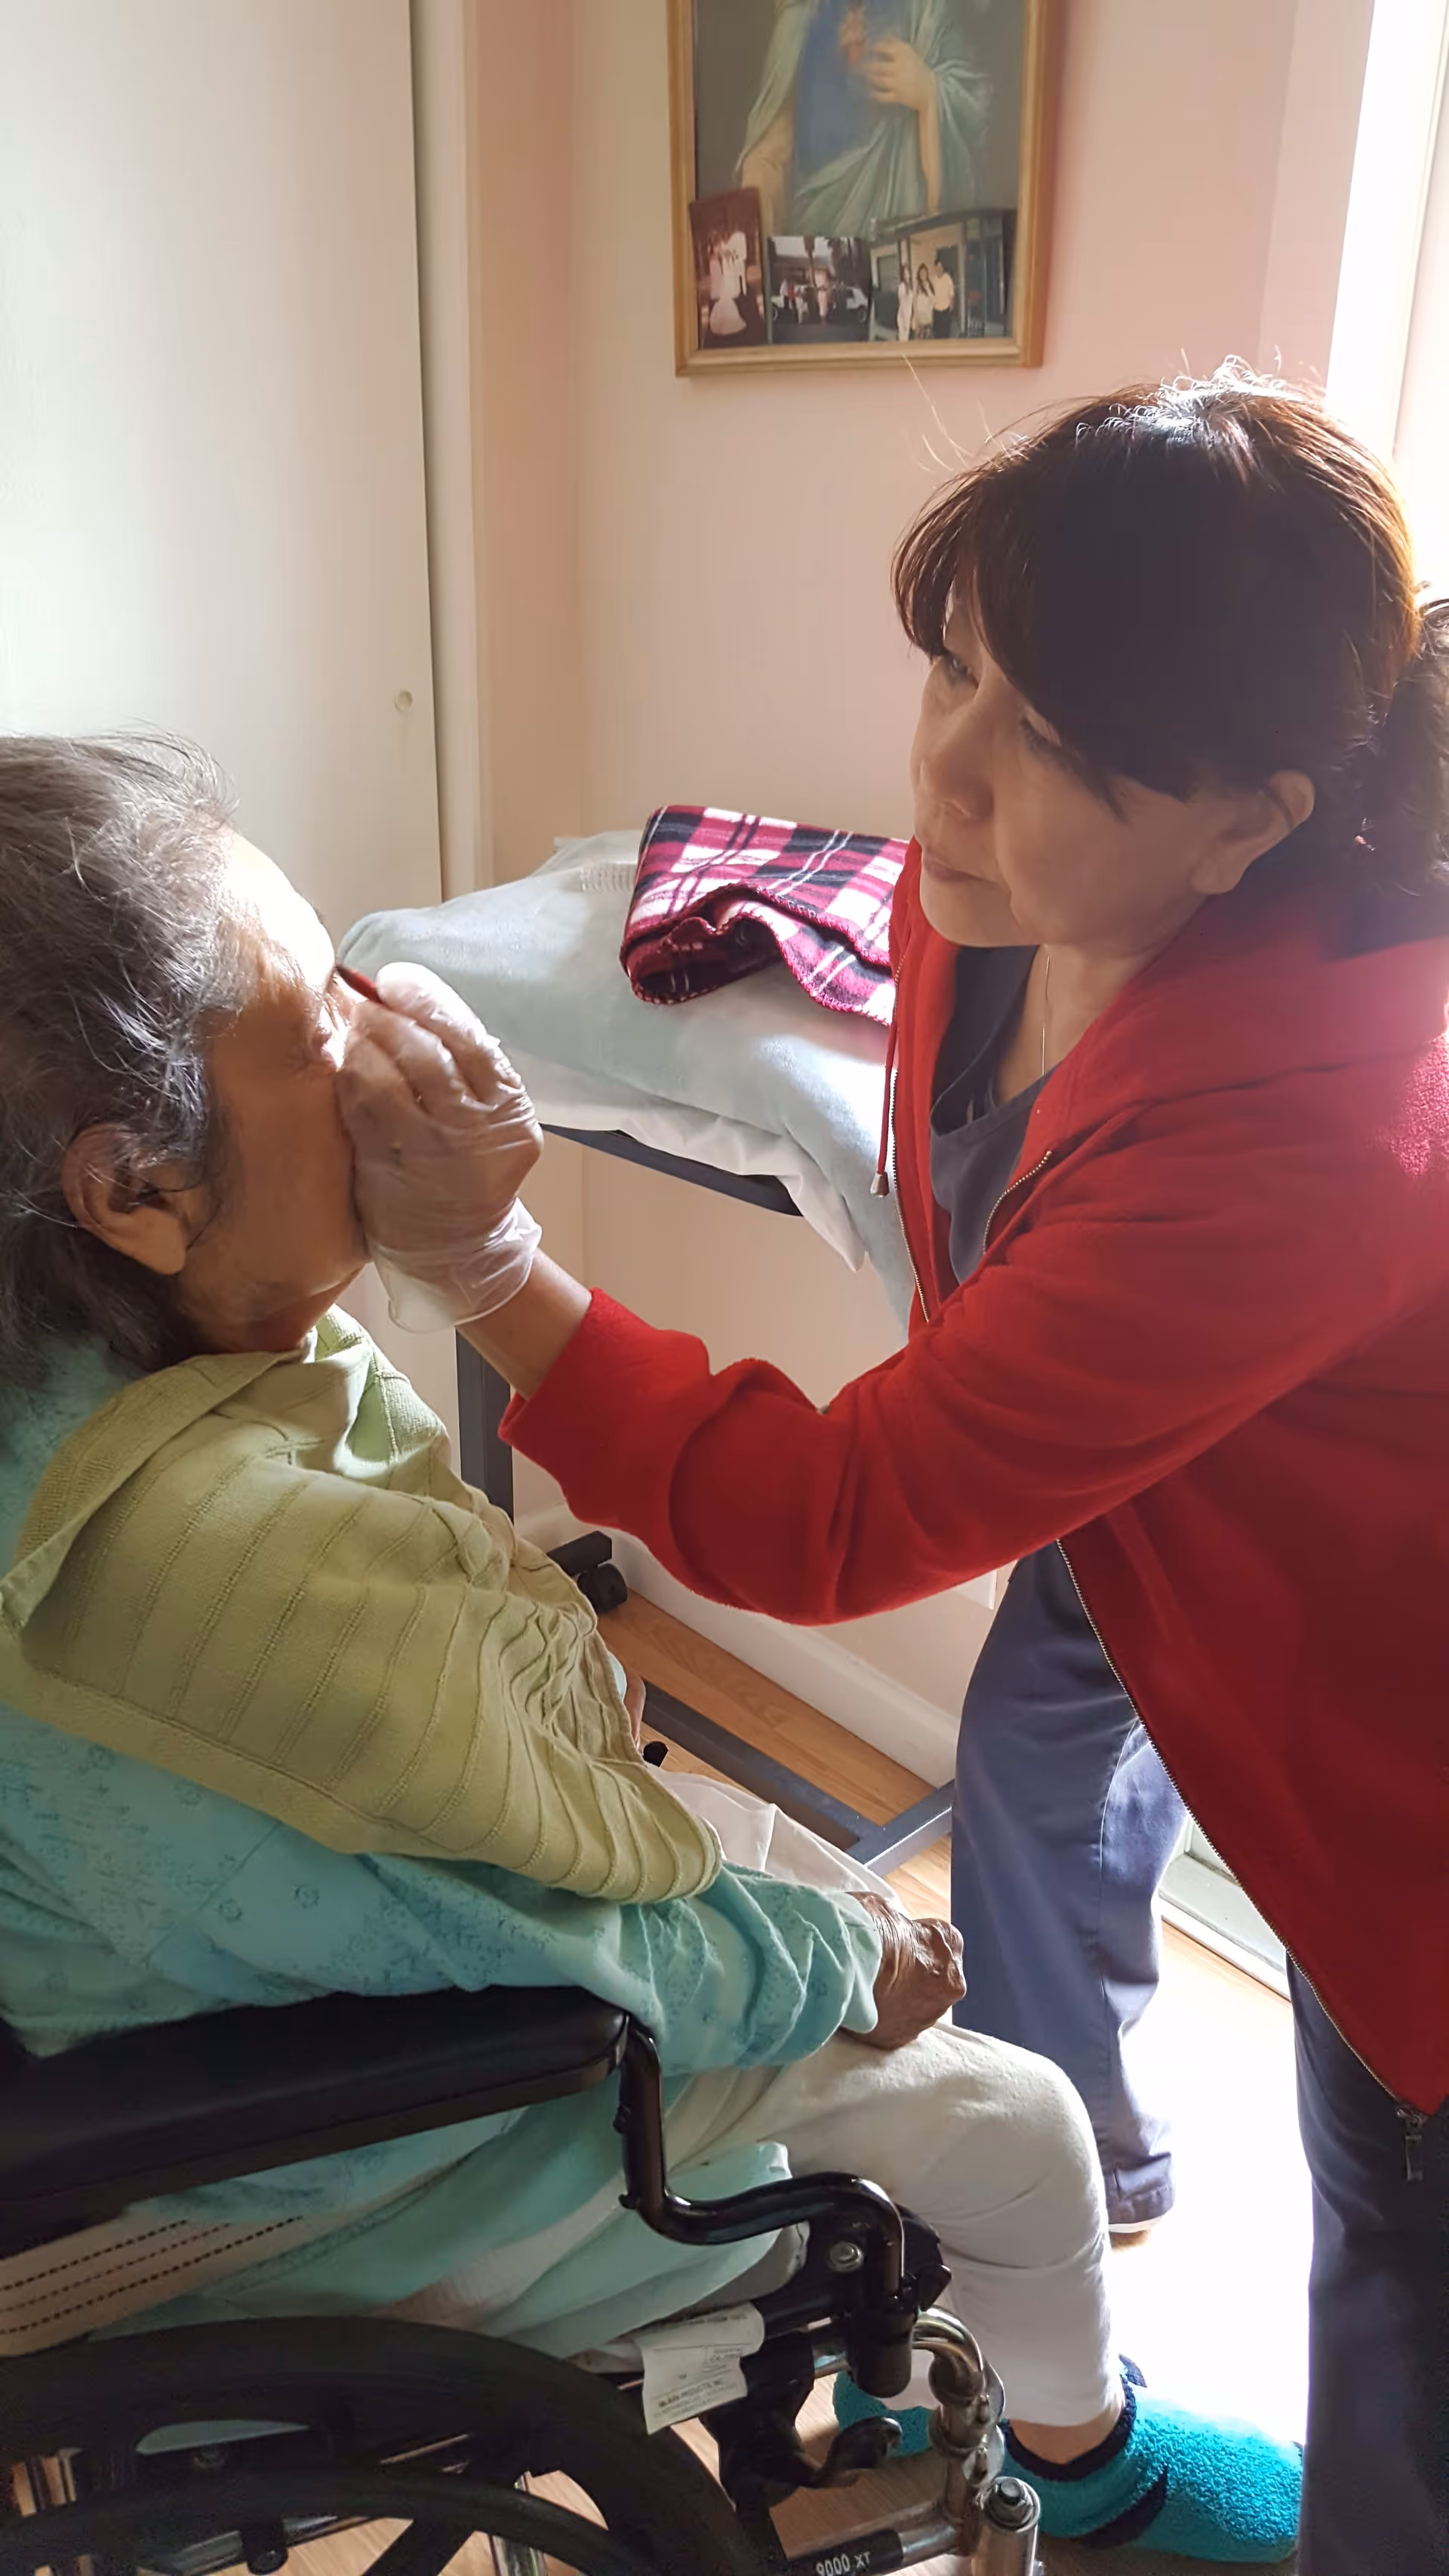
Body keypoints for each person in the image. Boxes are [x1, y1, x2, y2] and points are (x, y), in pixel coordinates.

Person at [341, 368, 1449, 2576]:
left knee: (1391, 2228)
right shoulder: (974, 894)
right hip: (1163, 1517)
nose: (941, 763)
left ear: (1248, 818)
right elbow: (986, 1229)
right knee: (1043, 1772)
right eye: (952, 666)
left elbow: (830, 1520)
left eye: (1042, 738)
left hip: (1391, 1725)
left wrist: (490, 1258)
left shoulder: (1323, 1115)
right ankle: (1074, 2197)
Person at [0, 737, 1300, 2562]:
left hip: (181, 1989)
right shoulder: (224, 1581)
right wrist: (830, 1950)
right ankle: (1098, 2477)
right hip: (313, 2154)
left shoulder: (88, 1378)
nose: (383, 1035)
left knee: (783, 1876)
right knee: (1008, 2115)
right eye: (317, 1020)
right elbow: (537, 1931)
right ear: (131, 1189)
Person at [739, 0, 990, 240]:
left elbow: (971, 110)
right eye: (843, 17)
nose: (855, 25)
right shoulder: (802, 16)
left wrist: (928, 92)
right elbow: (771, 148)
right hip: (819, 229)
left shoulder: (925, 13)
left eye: (865, 12)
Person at [930, 249, 956, 336]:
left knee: (946, 333)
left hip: (945, 309)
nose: (939, 269)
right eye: (937, 267)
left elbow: (951, 293)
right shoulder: (933, 280)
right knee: (937, 333)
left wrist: (951, 306)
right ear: (935, 268)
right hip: (936, 310)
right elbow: (931, 294)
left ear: (942, 268)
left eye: (940, 267)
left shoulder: (947, 278)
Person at [913, 259, 935, 337]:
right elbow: (915, 302)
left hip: (928, 317)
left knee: (929, 342)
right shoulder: (917, 286)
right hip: (920, 318)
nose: (923, 274)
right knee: (920, 341)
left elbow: (933, 302)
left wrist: (928, 288)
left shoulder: (929, 285)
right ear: (919, 274)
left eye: (925, 272)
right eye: (922, 273)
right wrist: (916, 318)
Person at [896, 263, 913, 343]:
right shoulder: (902, 287)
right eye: (905, 274)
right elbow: (902, 304)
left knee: (906, 340)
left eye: (908, 273)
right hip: (903, 317)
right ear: (902, 275)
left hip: (908, 316)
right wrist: (906, 321)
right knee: (903, 341)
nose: (907, 276)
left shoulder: (910, 286)